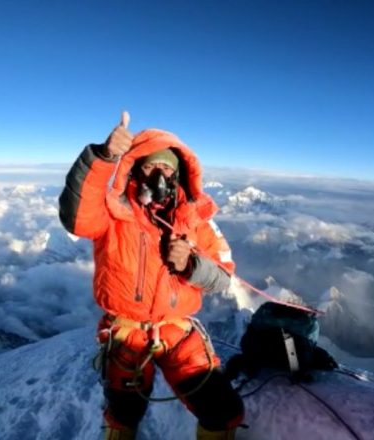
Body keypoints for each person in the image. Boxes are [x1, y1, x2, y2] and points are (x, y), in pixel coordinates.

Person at [58, 112, 244, 439]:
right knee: (124, 410)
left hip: (177, 331)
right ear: (134, 170)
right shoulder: (113, 213)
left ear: (180, 175)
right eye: (149, 167)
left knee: (220, 408)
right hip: (126, 332)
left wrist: (191, 265)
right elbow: (76, 217)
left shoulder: (197, 223)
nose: (159, 175)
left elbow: (226, 277)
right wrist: (104, 156)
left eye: (167, 168)